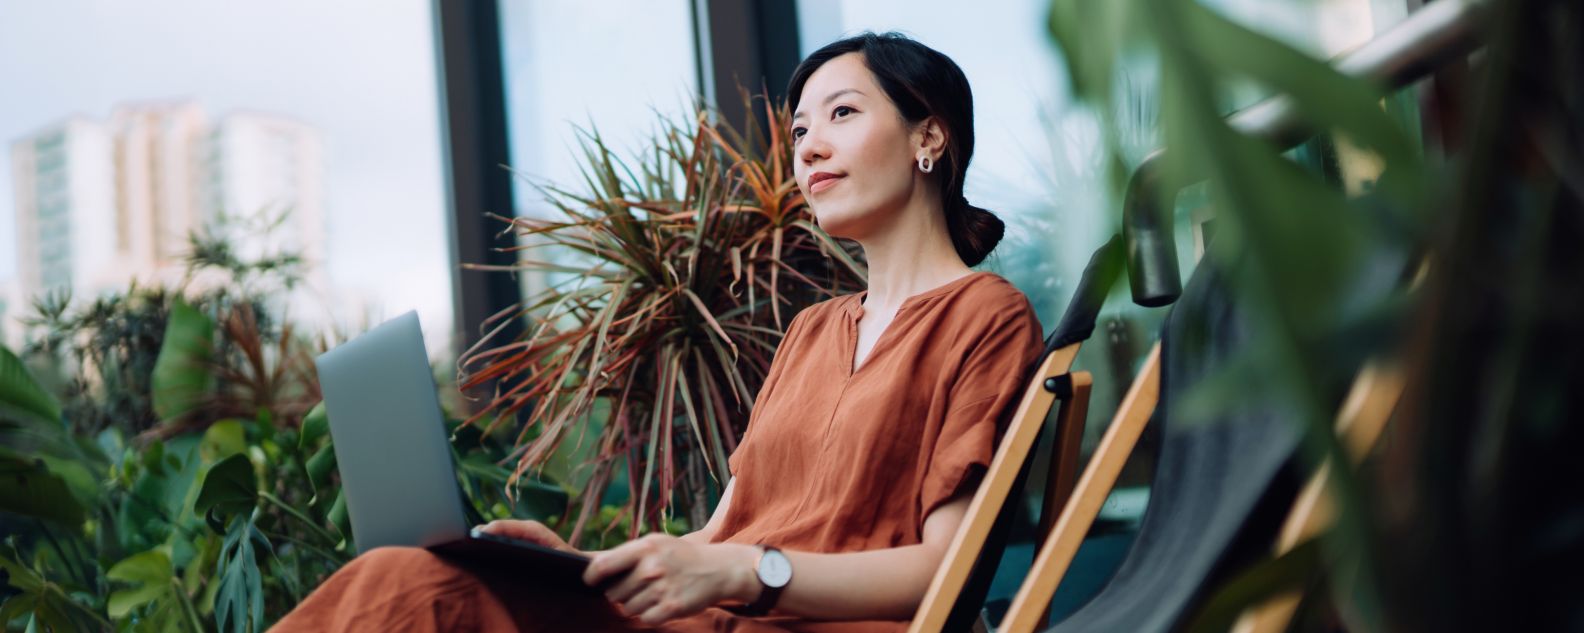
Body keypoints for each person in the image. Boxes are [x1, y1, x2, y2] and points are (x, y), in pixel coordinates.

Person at [273, 31, 1042, 633]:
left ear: (929, 138)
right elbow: (719, 536)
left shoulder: (985, 317)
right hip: (713, 617)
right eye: (800, 126)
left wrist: (749, 575)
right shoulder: (811, 331)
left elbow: (950, 566)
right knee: (425, 580)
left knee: (411, 594)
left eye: (842, 113)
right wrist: (581, 563)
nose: (807, 147)